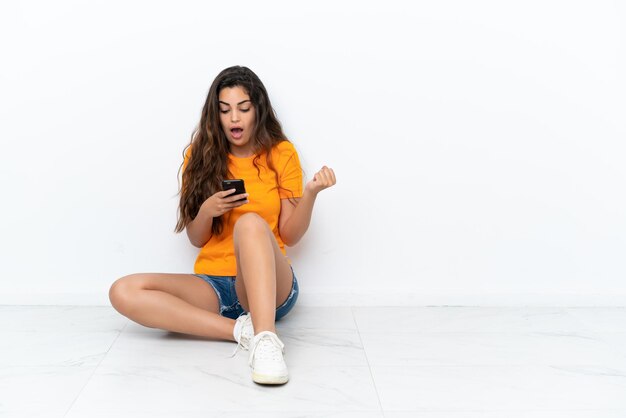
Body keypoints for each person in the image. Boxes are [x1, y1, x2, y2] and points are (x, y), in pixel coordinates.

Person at [108, 65, 336, 385]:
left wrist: (310, 194)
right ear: (215, 115)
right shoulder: (199, 155)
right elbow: (197, 239)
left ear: (257, 109)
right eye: (225, 110)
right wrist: (207, 210)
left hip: (272, 284)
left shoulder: (281, 153)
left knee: (249, 224)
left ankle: (267, 339)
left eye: (243, 108)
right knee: (124, 290)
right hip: (215, 287)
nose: (234, 119)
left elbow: (291, 235)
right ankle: (242, 331)